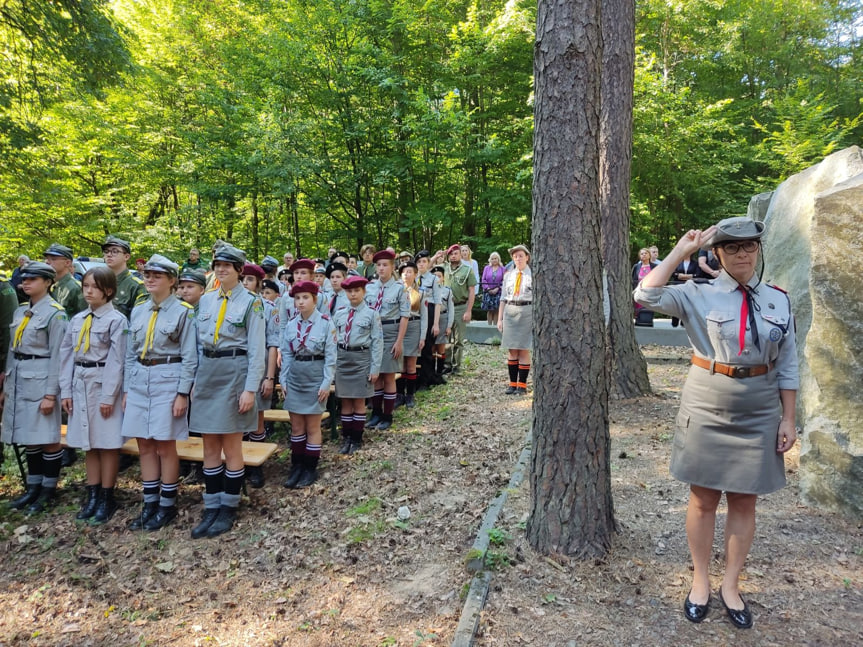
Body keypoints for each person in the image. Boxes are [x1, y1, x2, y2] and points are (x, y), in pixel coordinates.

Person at [634, 217, 798, 630]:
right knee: (703, 498)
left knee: (744, 500)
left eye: (750, 247)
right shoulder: (696, 294)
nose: (743, 255)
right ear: (718, 254)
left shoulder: (779, 300)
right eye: (732, 248)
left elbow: (789, 364)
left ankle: (731, 585)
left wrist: (789, 419)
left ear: (758, 251)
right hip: (707, 405)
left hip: (760, 408)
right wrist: (681, 252)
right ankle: (700, 580)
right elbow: (645, 295)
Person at [189, 244, 265, 537]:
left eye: (227, 266)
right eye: (218, 265)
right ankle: (212, 505)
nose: (221, 270)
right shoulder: (205, 302)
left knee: (231, 446)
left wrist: (250, 389)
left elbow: (257, 350)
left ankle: (228, 508)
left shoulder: (251, 303)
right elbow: (197, 344)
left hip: (235, 373)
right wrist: (194, 380)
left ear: (239, 270)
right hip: (208, 372)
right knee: (209, 446)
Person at [123, 255, 198, 531]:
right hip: (141, 380)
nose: (150, 278)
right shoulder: (139, 310)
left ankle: (167, 505)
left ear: (172, 280)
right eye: (147, 274)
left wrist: (182, 393)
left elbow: (190, 357)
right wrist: (127, 388)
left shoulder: (183, 312)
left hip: (168, 380)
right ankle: (149, 503)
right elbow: (130, 354)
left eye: (157, 275)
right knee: (144, 444)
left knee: (165, 444)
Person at [59, 267, 128, 524]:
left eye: (94, 287)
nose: (88, 291)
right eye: (85, 285)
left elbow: (117, 361)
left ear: (108, 291)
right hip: (80, 384)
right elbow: (67, 356)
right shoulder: (77, 320)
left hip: (102, 384)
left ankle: (107, 496)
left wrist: (108, 396)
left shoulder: (117, 321)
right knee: (88, 443)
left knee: (107, 443)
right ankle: (93, 493)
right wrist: (65, 390)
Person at [2, 262, 68, 513]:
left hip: (41, 379)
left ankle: (48, 490)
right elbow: (12, 350)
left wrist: (51, 393)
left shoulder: (55, 313)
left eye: (33, 279)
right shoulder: (20, 312)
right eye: (24, 279)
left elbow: (58, 357)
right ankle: (33, 487)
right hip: (19, 378)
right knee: (29, 435)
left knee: (46, 437)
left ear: (48, 282)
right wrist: (7, 384)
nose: (25, 283)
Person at [280, 280, 337, 488]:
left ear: (315, 299)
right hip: (295, 376)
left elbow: (331, 357)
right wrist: (283, 379)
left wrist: (325, 383)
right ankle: (297, 466)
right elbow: (286, 353)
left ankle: (310, 468)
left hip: (315, 376)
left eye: (305, 297)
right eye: (297, 298)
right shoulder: (291, 324)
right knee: (296, 426)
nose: (301, 302)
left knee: (312, 426)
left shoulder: (325, 323)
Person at [240, 263, 279, 489]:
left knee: (257, 418)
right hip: (237, 366)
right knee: (238, 418)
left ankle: (256, 466)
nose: (246, 283)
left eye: (250, 280)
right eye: (243, 279)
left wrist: (270, 377)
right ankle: (240, 463)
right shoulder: (230, 305)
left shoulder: (268, 307)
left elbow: (273, 344)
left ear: (259, 283)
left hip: (260, 364)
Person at [332, 276, 382, 454]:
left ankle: (357, 438)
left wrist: (375, 368)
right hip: (343, 358)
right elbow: (332, 341)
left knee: (359, 401)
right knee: (346, 401)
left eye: (357, 291)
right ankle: (346, 436)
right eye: (349, 291)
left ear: (364, 291)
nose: (353, 294)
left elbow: (377, 342)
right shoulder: (339, 314)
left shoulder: (371, 314)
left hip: (361, 358)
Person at [364, 250, 409, 430]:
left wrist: (399, 341)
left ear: (392, 267)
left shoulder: (399, 289)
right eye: (379, 265)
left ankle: (387, 415)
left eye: (385, 265)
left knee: (389, 375)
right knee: (376, 377)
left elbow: (405, 316)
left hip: (391, 332)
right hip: (372, 333)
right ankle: (375, 413)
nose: (381, 268)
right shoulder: (369, 287)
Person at [497, 245, 533, 395]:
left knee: (523, 349)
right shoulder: (508, 275)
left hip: (526, 311)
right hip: (510, 312)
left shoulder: (533, 275)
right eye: (515, 256)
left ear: (527, 257)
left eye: (520, 256)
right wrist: (500, 319)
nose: (518, 259)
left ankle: (522, 385)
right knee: (512, 349)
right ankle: (512, 384)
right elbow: (503, 298)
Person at [396, 261, 427, 408]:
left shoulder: (420, 293)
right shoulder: (396, 291)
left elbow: (424, 316)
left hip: (414, 326)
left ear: (415, 274)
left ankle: (410, 395)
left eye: (409, 272)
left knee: (411, 364)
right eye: (403, 272)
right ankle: (399, 394)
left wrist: (422, 336)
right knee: (400, 364)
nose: (406, 274)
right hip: (401, 327)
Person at [443, 244, 477, 374]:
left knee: (458, 339)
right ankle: (446, 365)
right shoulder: (444, 268)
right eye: (451, 254)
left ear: (460, 255)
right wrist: (436, 256)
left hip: (460, 306)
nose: (453, 256)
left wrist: (468, 310)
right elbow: (427, 269)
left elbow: (472, 291)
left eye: (456, 253)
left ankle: (456, 366)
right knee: (446, 337)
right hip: (445, 307)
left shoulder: (467, 270)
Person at [102, 236, 145, 320]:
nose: (109, 255)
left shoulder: (137, 286)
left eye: (115, 251)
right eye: (106, 251)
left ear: (126, 257)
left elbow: (139, 320)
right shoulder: (98, 282)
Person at [415, 250, 441, 388]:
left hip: (429, 310)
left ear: (428, 262)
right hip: (415, 312)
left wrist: (436, 323)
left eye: (424, 261)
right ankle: (414, 378)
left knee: (426, 347)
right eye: (418, 262)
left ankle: (425, 380)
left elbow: (438, 302)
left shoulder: (433, 279)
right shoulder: (412, 278)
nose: (421, 264)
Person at [44, 244, 86, 317]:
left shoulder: (76, 288)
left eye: (53, 259)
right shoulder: (52, 286)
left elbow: (85, 318)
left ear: (67, 263)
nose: (47, 262)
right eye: (47, 258)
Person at [430, 266, 454, 382]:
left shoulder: (447, 291)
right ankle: (430, 374)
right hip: (431, 320)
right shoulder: (428, 291)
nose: (437, 278)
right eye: (434, 276)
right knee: (431, 347)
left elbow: (451, 309)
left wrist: (449, 325)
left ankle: (439, 374)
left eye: (439, 276)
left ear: (443, 278)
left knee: (441, 348)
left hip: (443, 319)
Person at [632, 248, 659, 326]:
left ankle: (648, 321)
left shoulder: (654, 266)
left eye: (645, 253)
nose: (644, 255)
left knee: (648, 306)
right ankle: (638, 320)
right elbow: (633, 278)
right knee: (638, 307)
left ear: (649, 255)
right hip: (638, 291)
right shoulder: (636, 266)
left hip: (650, 291)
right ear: (639, 256)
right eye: (642, 254)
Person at [480, 252, 505, 326]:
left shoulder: (503, 269)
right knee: (490, 310)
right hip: (488, 292)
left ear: (498, 259)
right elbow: (483, 279)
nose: (494, 260)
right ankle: (489, 326)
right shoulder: (487, 268)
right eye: (492, 259)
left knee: (497, 310)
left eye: (495, 258)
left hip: (498, 292)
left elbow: (504, 280)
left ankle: (495, 326)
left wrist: (497, 288)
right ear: (490, 260)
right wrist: (488, 288)